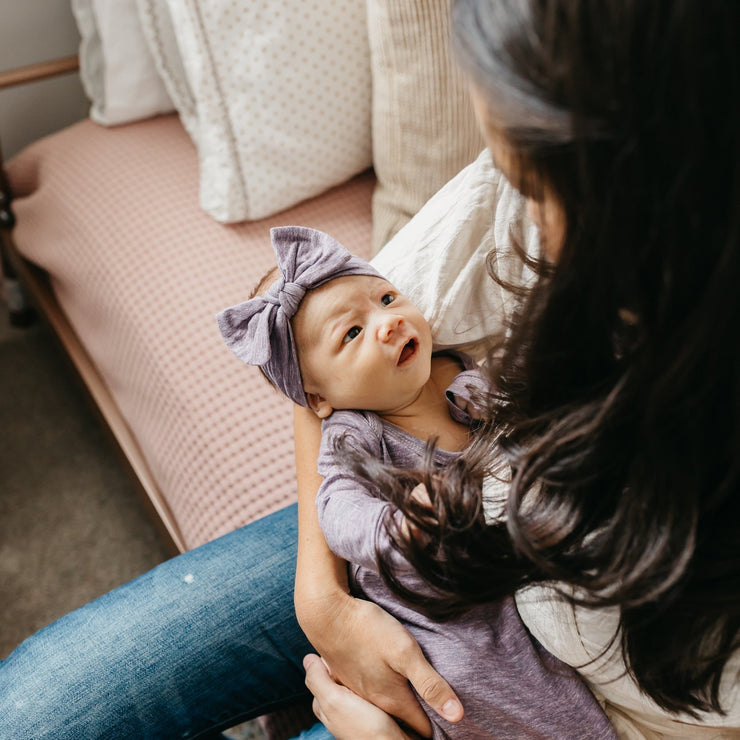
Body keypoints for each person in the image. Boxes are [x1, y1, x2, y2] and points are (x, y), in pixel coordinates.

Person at [1, 1, 739, 739]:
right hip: (400, 541)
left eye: (542, 191)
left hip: (530, 676)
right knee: (33, 712)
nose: (522, 209)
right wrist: (320, 599)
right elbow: (322, 347)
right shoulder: (514, 194)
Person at [216, 224, 617, 739]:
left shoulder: (456, 367)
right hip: (432, 608)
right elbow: (335, 508)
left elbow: (515, 414)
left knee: (547, 650)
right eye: (352, 333)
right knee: (470, 676)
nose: (387, 322)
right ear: (318, 401)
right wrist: (395, 525)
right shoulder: (353, 432)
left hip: (496, 574)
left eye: (386, 298)